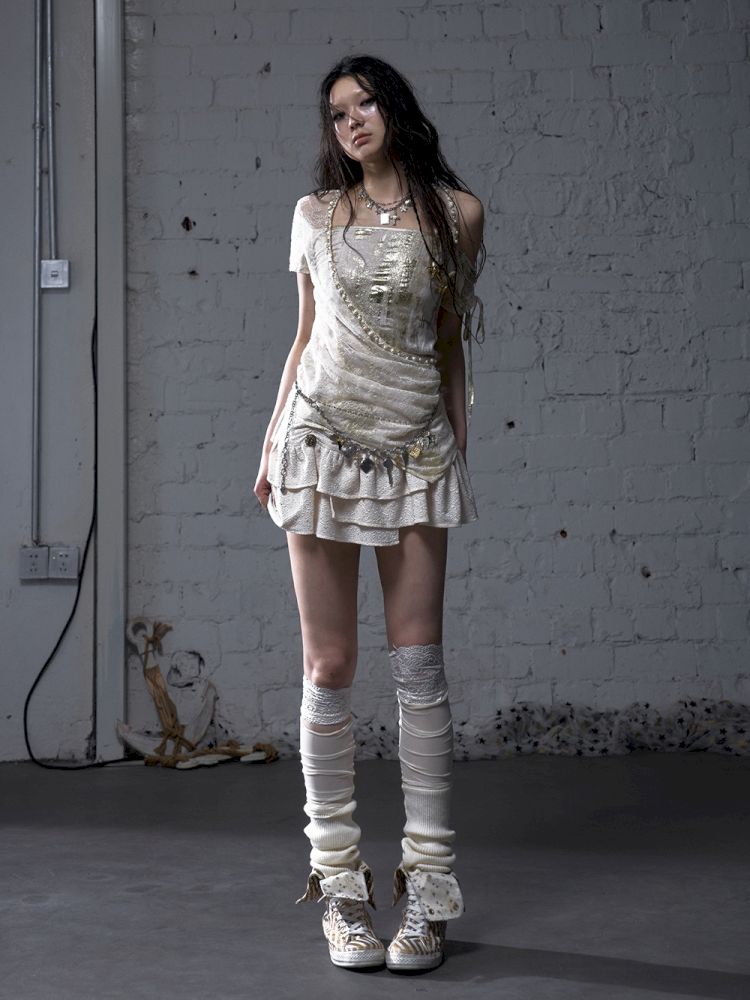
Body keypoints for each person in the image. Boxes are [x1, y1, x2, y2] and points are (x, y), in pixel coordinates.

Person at [253, 54, 485, 973]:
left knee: (419, 664)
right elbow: (304, 336)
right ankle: (341, 888)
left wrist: (458, 445)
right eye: (337, 112)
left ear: (396, 108)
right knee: (330, 664)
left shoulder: (457, 214)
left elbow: (450, 341)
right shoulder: (315, 214)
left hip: (416, 444)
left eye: (365, 102)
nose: (352, 121)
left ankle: (428, 889)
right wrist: (270, 440)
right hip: (316, 440)